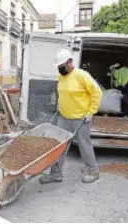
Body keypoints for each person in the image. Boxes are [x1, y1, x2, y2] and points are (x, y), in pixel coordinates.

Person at [39, 49, 103, 184]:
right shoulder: (62, 76)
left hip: (81, 118)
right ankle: (56, 174)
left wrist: (91, 112)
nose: (60, 70)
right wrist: (60, 104)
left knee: (84, 145)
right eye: (59, 67)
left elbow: (97, 93)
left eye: (62, 67)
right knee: (59, 146)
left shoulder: (81, 75)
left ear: (70, 62)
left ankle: (93, 171)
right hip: (64, 117)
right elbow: (63, 92)